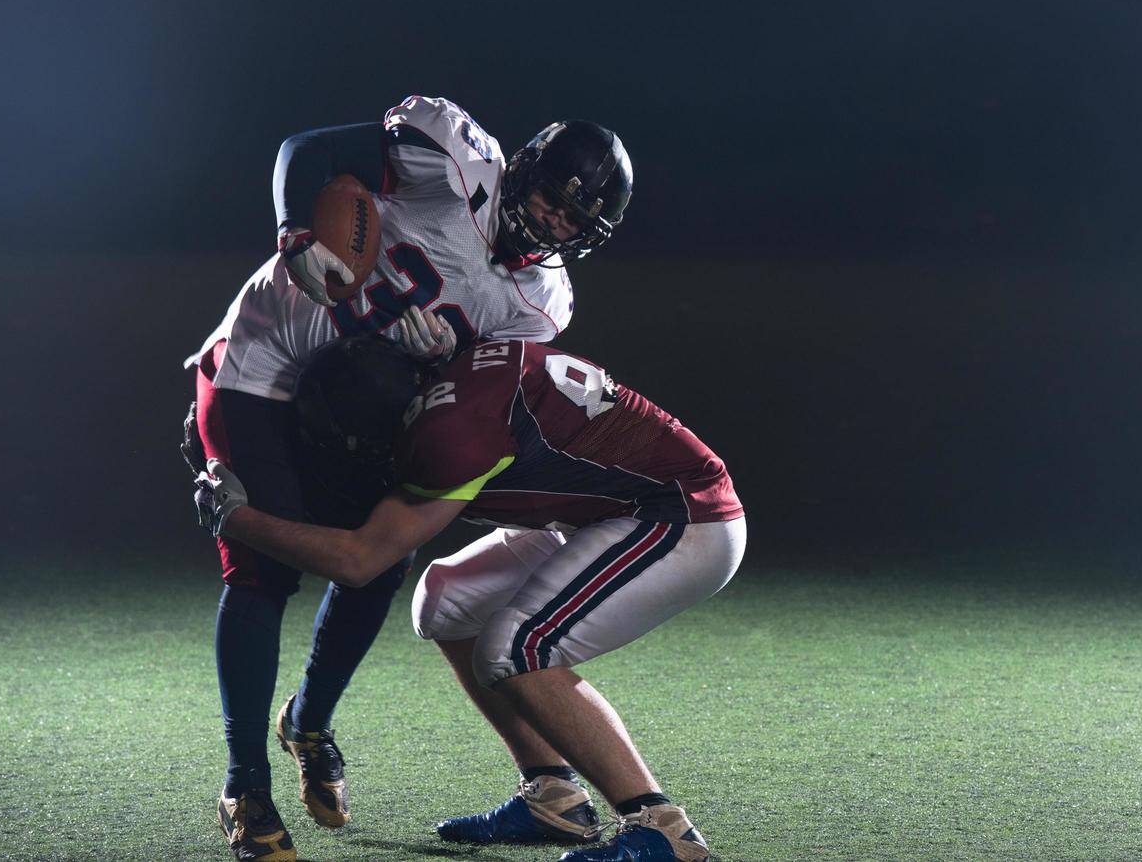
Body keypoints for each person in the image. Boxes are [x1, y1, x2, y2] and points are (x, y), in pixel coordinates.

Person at [184, 95, 633, 862]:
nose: (553, 223)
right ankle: (244, 784)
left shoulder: (542, 302)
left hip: (361, 405)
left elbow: (472, 391)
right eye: (549, 202)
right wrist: (297, 234)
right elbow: (306, 148)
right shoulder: (449, 154)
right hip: (263, 363)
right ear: (520, 170)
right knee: (260, 576)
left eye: (571, 221)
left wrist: (440, 364)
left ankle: (309, 723)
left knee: (376, 564)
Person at [193, 335, 746, 862]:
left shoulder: (447, 436)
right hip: (605, 510)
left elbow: (359, 562)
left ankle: (661, 828)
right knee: (446, 599)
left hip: (679, 517)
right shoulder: (452, 372)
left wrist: (239, 520)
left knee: (518, 649)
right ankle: (553, 797)